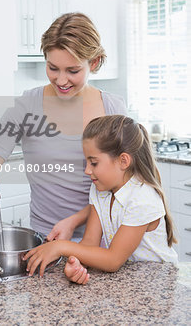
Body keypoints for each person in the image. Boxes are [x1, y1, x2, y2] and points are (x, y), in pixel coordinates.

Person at [0, 12, 127, 283]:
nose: (61, 80)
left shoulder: (113, 108)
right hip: (43, 248)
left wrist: (75, 222)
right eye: (52, 67)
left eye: (73, 70)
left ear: (94, 62)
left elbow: (123, 190)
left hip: (102, 248)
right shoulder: (26, 106)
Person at [23, 115, 178, 284]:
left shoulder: (142, 198)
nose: (87, 171)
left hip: (158, 284)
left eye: (94, 163)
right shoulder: (100, 189)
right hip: (129, 281)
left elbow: (113, 260)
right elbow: (89, 243)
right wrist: (75, 265)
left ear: (123, 161)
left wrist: (61, 247)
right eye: (86, 163)